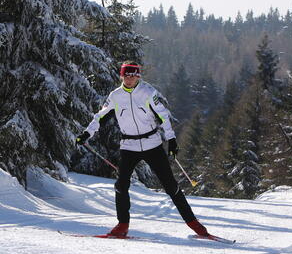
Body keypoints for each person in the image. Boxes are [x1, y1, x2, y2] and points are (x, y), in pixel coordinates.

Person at [76, 61, 209, 238]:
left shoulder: (147, 92)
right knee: (121, 186)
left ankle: (195, 224)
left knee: (170, 186)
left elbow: (163, 115)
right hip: (128, 146)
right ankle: (122, 225)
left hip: (152, 144)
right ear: (121, 76)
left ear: (138, 76)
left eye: (134, 75)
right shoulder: (115, 96)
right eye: (127, 75)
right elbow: (100, 117)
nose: (130, 79)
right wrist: (87, 133)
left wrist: (171, 139)